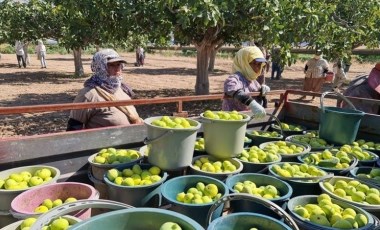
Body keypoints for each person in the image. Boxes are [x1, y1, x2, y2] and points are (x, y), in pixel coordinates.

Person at [67, 49, 143, 131]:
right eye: (111, 65)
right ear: (100, 67)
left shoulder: (121, 88)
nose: (117, 68)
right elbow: (73, 129)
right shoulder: (88, 95)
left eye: (118, 64)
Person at [222, 46, 270, 117]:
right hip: (232, 120)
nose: (257, 67)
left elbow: (258, 99)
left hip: (247, 119)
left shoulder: (253, 81)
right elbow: (230, 87)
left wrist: (262, 90)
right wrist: (251, 103)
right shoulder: (236, 78)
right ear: (244, 62)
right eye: (253, 63)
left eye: (259, 64)